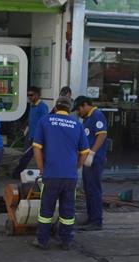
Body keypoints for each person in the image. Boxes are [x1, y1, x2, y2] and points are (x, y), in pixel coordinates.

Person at [31, 95, 89, 250]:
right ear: (69, 109)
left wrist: (42, 168)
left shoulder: (44, 121)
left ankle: (42, 240)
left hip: (51, 174)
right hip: (70, 176)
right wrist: (76, 167)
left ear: (55, 107)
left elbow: (37, 148)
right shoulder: (77, 125)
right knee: (68, 211)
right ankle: (66, 241)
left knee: (46, 210)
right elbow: (85, 152)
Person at [74, 96, 108, 230]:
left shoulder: (97, 115)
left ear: (85, 105)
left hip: (95, 159)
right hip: (89, 160)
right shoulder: (88, 118)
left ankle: (96, 221)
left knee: (93, 190)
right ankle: (91, 218)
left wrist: (92, 153)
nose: (78, 112)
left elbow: (102, 135)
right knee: (89, 189)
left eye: (79, 109)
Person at [11, 86, 48, 181]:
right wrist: (26, 128)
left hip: (38, 137)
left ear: (37, 95)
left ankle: (18, 173)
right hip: (30, 135)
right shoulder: (32, 106)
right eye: (28, 95)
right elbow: (31, 120)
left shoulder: (42, 107)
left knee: (32, 156)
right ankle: (17, 173)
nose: (30, 97)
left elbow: (44, 122)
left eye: (31, 95)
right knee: (25, 156)